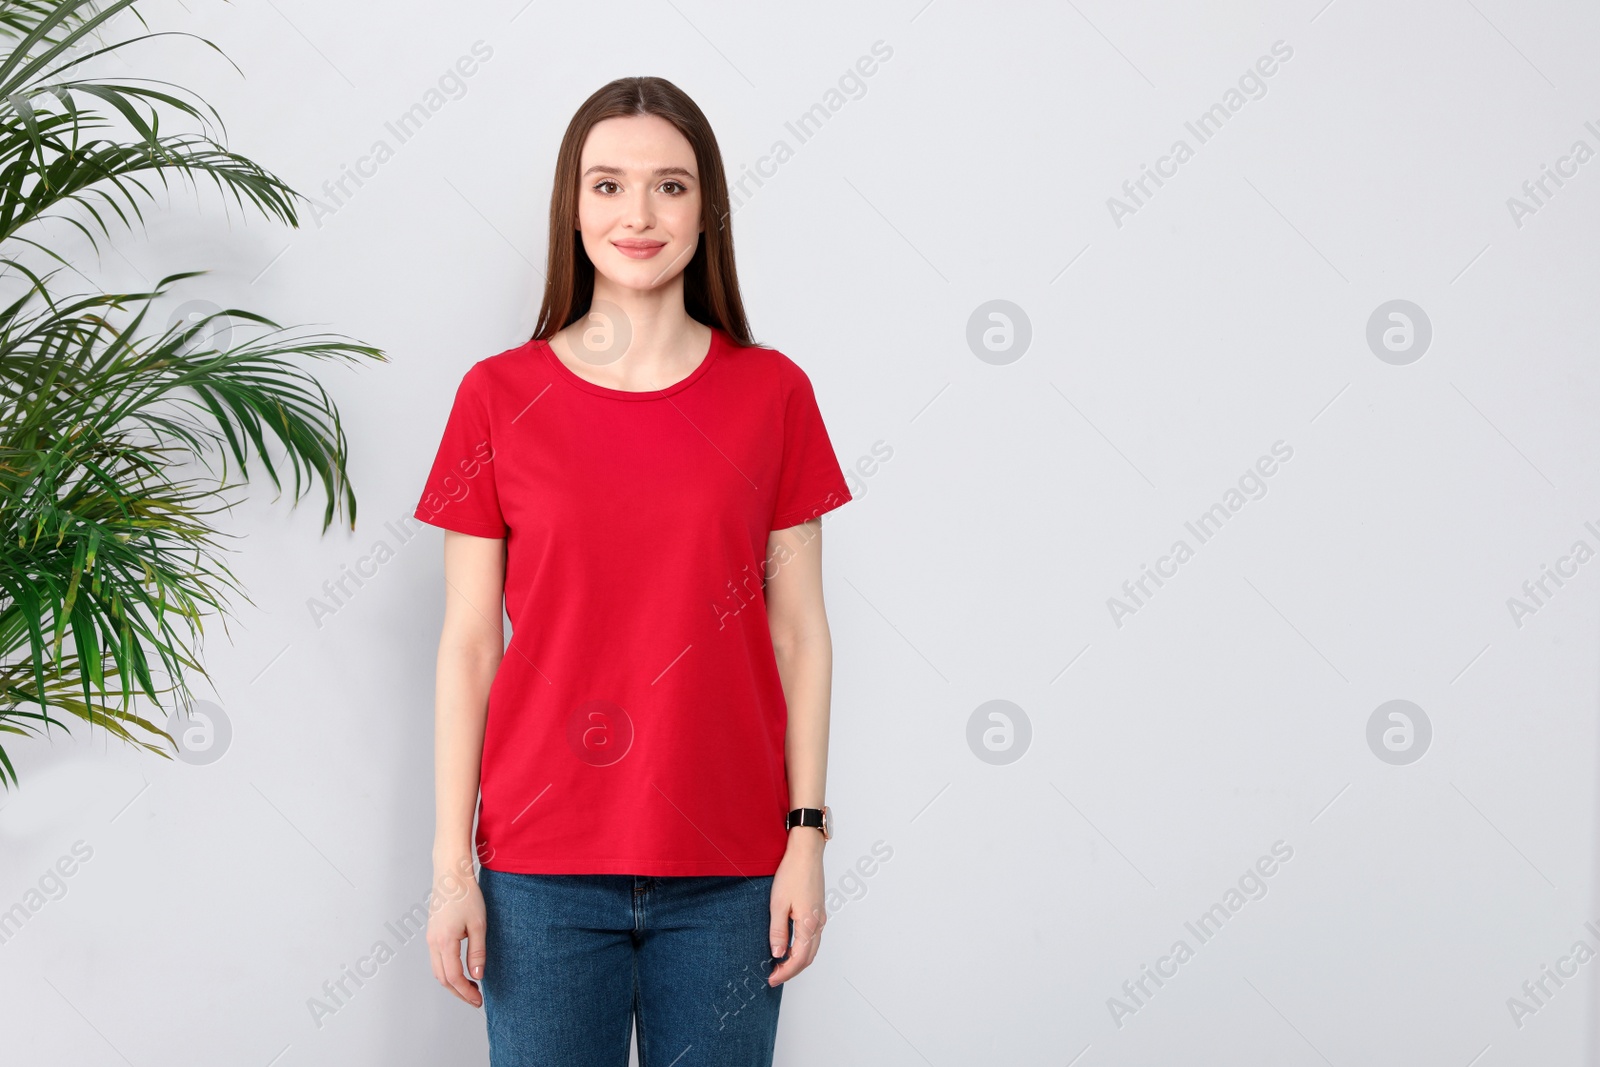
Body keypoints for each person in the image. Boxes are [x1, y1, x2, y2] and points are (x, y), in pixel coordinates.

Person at [413, 75, 853, 1066]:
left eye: (670, 186)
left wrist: (807, 836)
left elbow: (800, 632)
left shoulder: (772, 394)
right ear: (573, 206)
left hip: (733, 871)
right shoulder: (497, 395)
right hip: (537, 870)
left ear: (708, 210)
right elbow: (469, 644)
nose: (638, 215)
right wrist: (452, 864)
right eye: (607, 185)